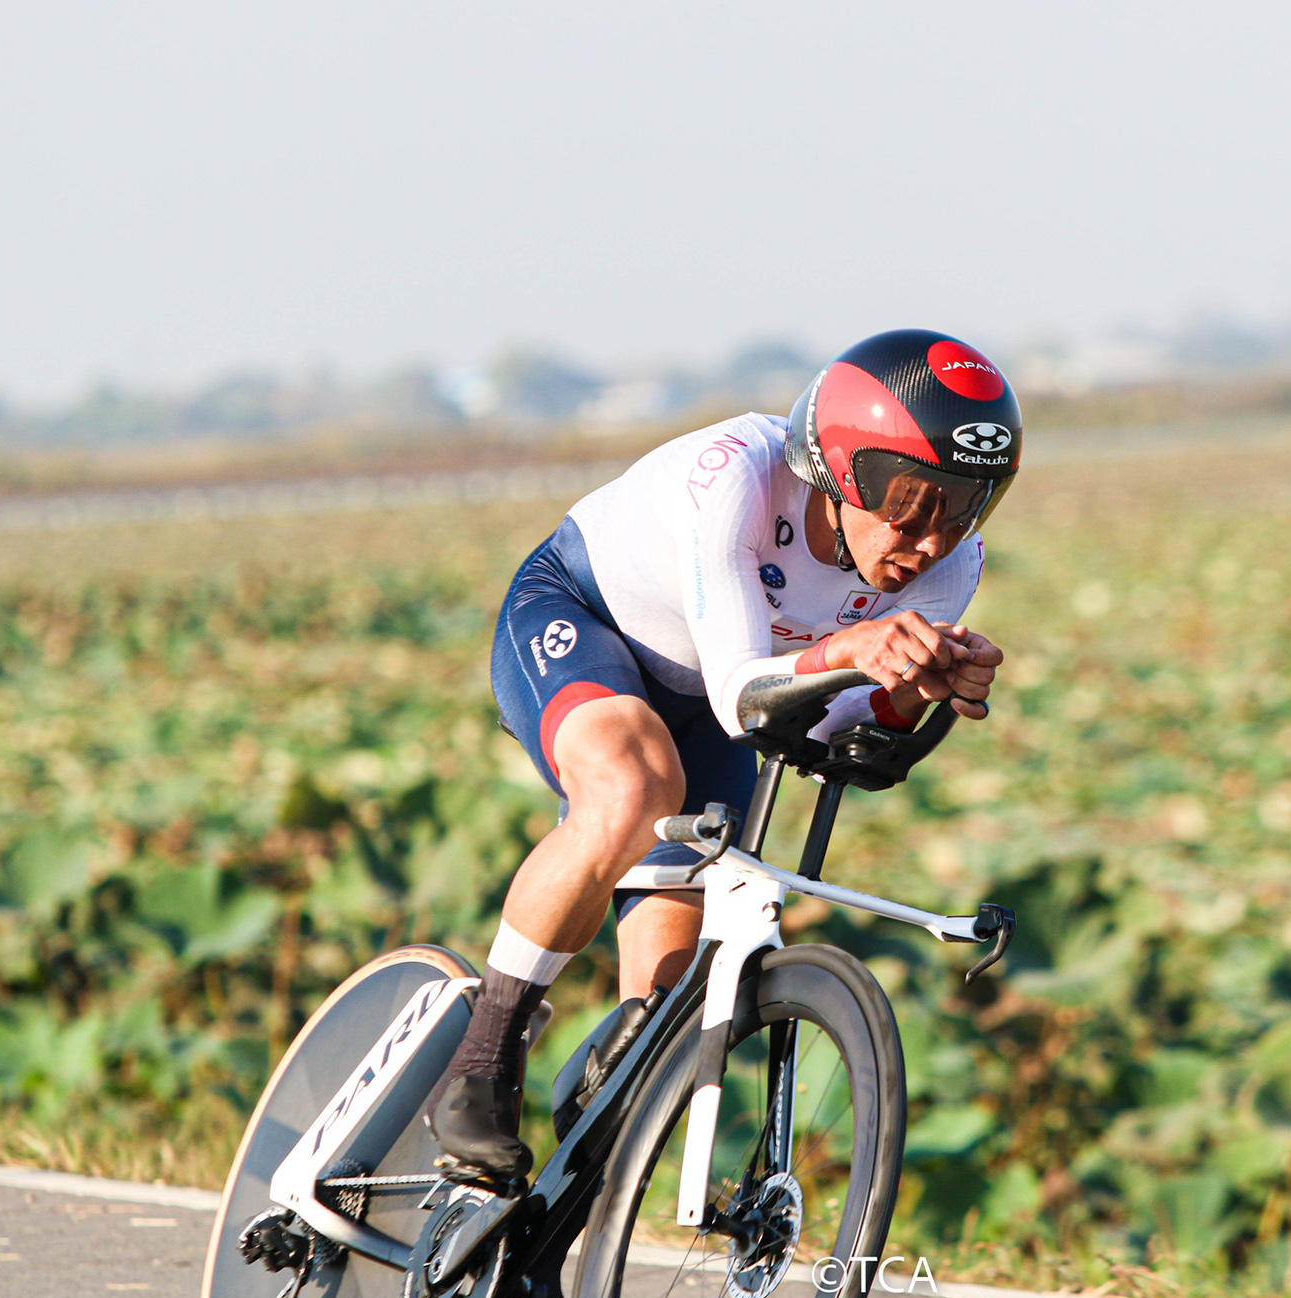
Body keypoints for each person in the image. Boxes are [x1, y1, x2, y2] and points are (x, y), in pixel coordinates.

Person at [426, 328, 1023, 1182]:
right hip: (591, 629)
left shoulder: (950, 562)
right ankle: (483, 1058)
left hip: (720, 707)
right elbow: (743, 692)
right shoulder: (736, 476)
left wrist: (911, 691)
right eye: (913, 502)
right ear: (841, 468)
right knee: (632, 788)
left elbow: (828, 733)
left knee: (658, 1025)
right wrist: (854, 646)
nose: (933, 540)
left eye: (966, 505)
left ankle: (552, 1230)